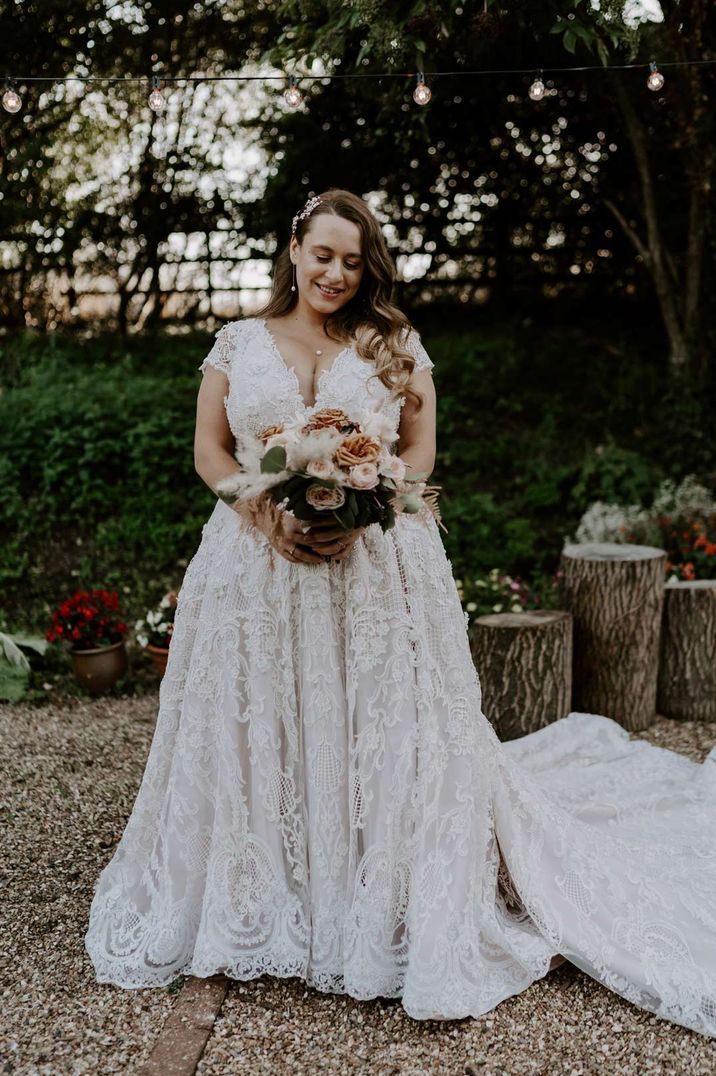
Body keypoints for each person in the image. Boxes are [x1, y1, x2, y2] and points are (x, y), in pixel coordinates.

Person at [85, 189, 716, 1037]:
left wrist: (370, 503)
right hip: (250, 562)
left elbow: (417, 450)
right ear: (294, 249)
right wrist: (259, 508)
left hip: (374, 563)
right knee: (260, 718)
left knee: (383, 726)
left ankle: (376, 897)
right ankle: (266, 889)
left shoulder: (395, 342)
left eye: (352, 260)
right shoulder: (237, 341)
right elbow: (208, 448)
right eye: (323, 255)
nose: (336, 274)